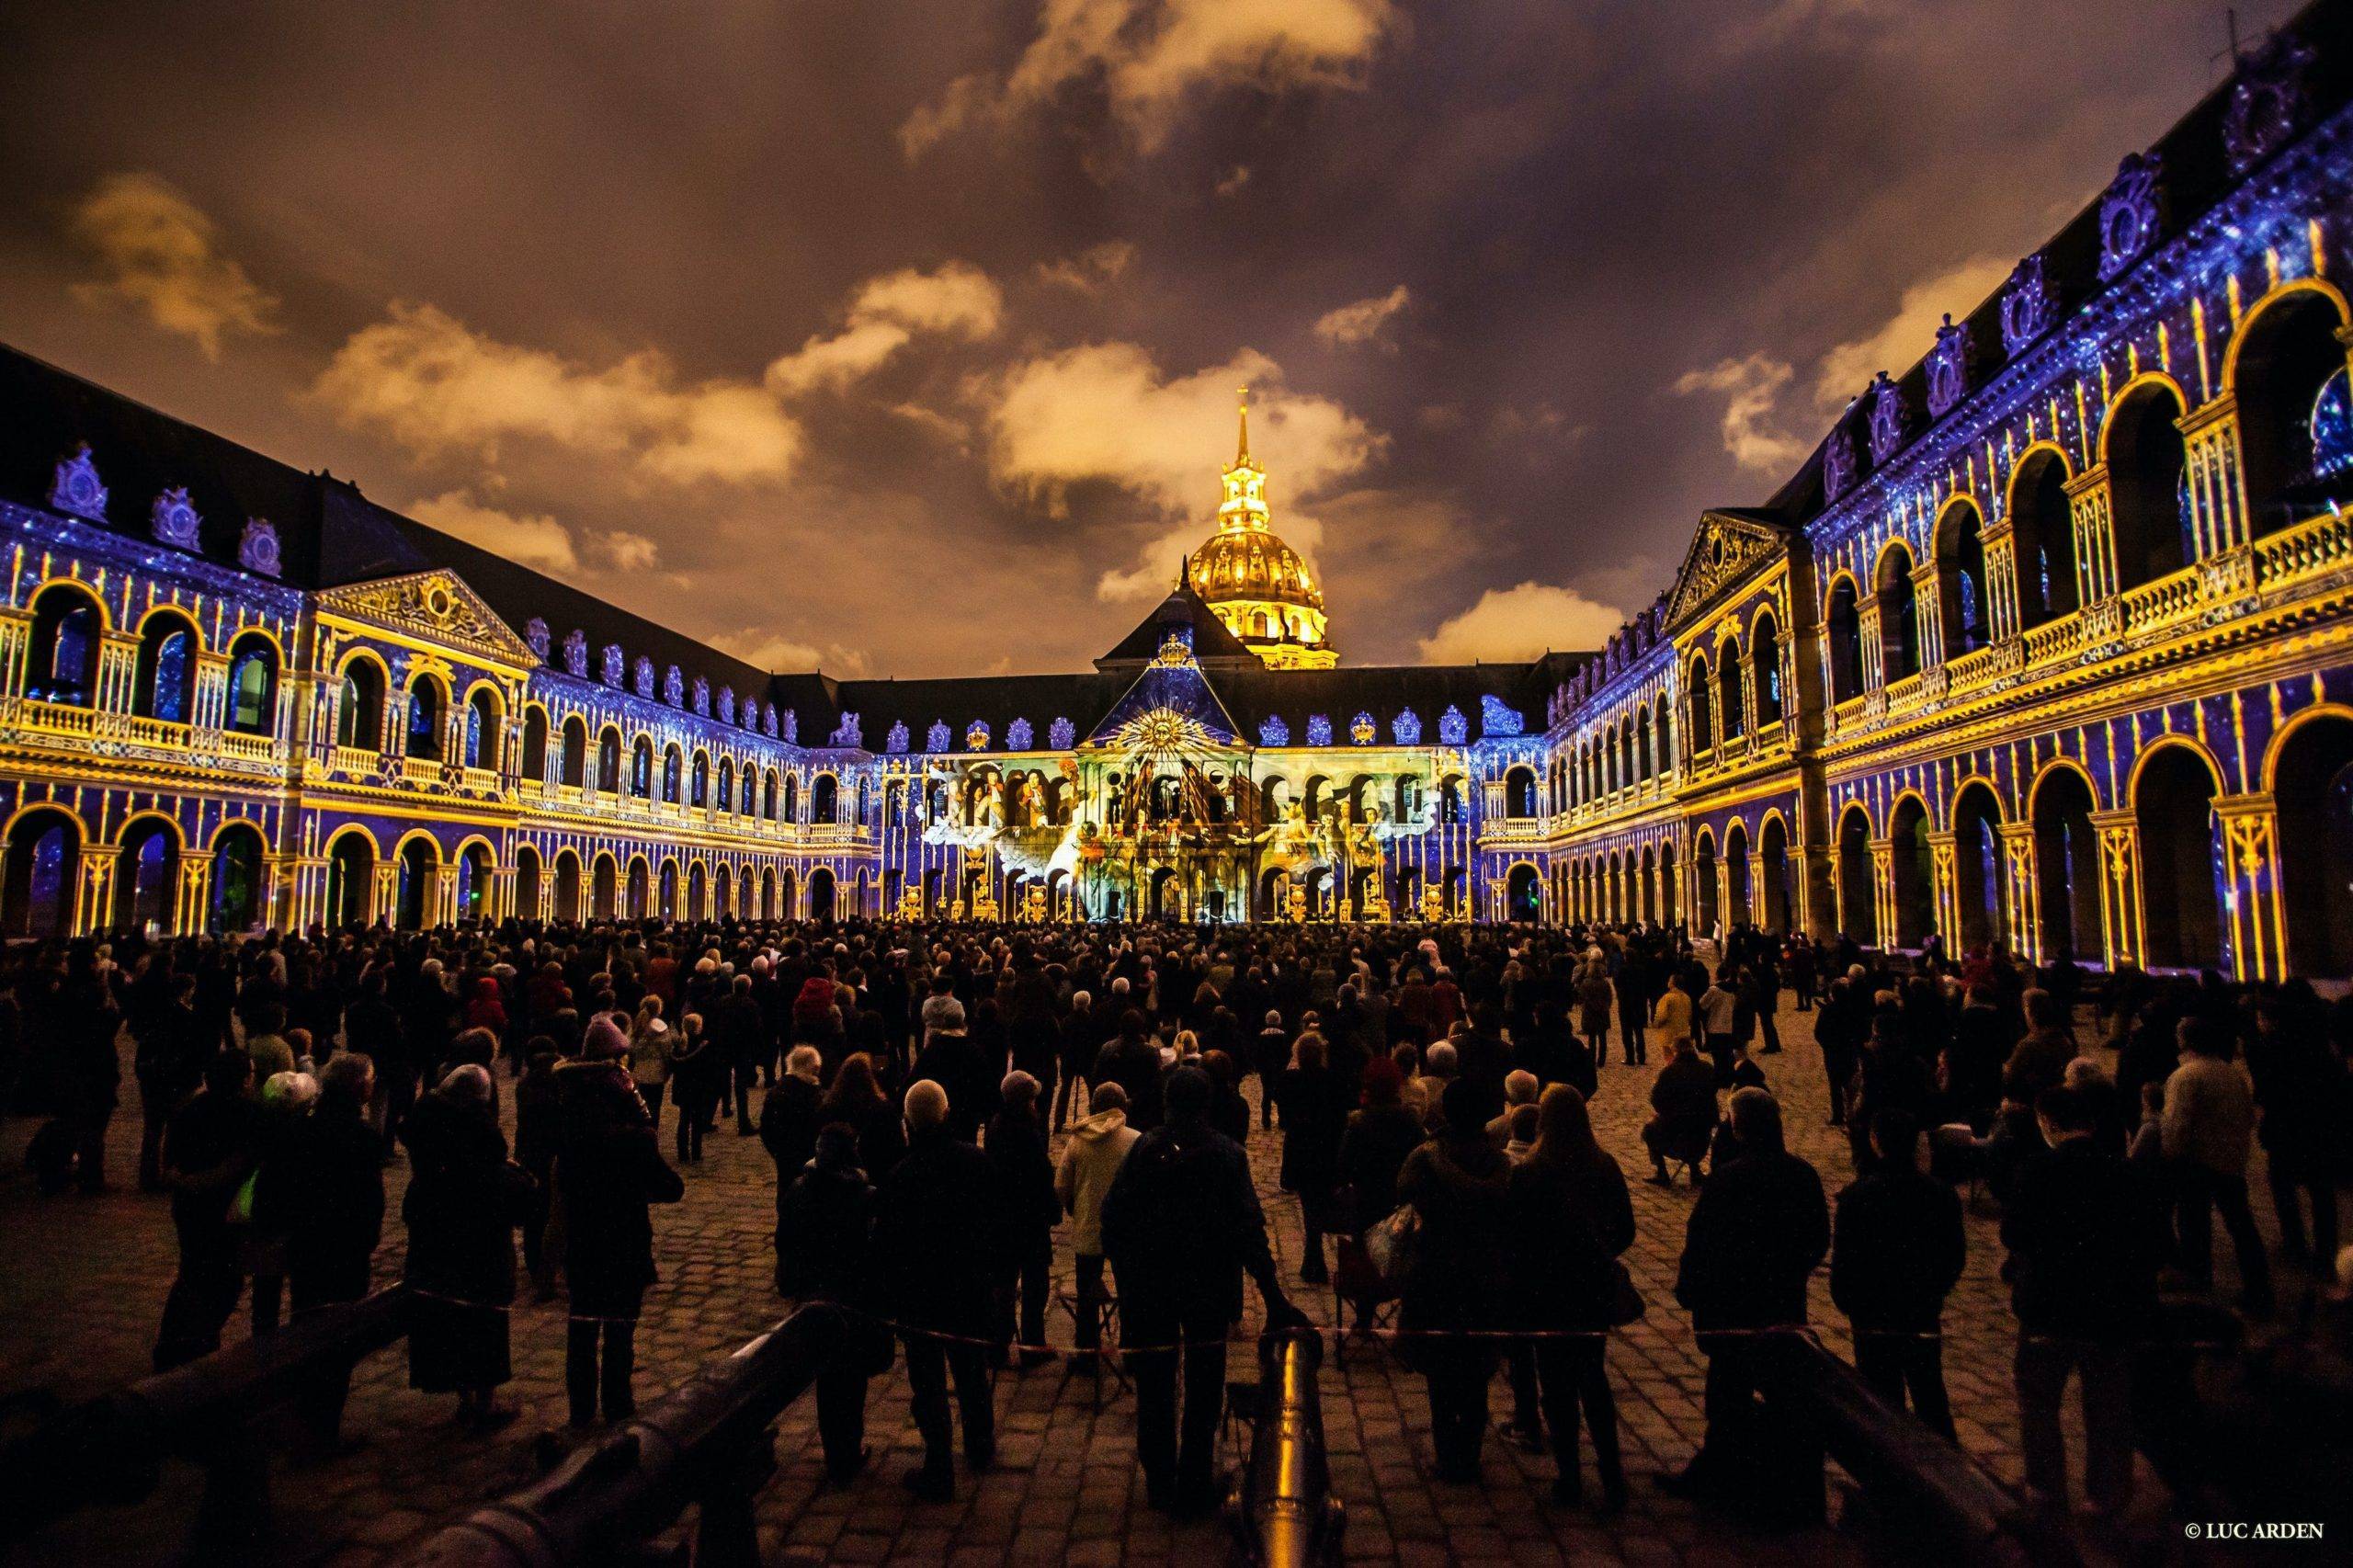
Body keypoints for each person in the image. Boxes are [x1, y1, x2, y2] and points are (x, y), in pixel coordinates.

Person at [1102, 1065, 1306, 1515]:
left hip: (1154, 1287)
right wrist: (1270, 1291)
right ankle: (1193, 1480)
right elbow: (1249, 1227)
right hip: (1207, 1285)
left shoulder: (1144, 1149)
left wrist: (1130, 1275)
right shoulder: (1226, 1154)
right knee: (1203, 1386)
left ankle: (1159, 1480)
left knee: (1155, 1388)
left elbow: (1112, 1218)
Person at [2001, 1085, 2168, 1516]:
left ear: (2049, 1124)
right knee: (2109, 1404)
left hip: (2049, 1308)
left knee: (2039, 1402)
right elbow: (2158, 1244)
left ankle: (2045, 1486)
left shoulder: (2036, 1171)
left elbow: (2014, 1234)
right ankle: (2107, 1493)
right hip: (2112, 1310)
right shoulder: (2129, 1174)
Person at [1664, 1089, 1829, 1522]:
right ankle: (1776, 1482)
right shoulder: (1802, 1175)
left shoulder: (1728, 1179)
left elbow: (1701, 1241)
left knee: (1727, 1395)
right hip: (1782, 1302)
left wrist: (1692, 1289)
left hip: (1733, 1307)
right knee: (1780, 1393)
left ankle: (1727, 1478)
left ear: (1738, 1129)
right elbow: (1817, 1240)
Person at [871, 1079, 1002, 1501]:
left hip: (921, 1298)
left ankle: (939, 1465)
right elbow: (996, 1226)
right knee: (971, 1375)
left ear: (909, 1122)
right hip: (969, 1290)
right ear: (946, 1115)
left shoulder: (900, 1176)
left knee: (928, 1387)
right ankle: (980, 1447)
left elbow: (887, 1245)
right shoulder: (977, 1162)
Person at [1506, 1085, 1633, 1511]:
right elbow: (1626, 1229)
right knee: (1594, 1380)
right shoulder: (1604, 1165)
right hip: (1590, 1287)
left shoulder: (1529, 1172)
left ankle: (1571, 1476)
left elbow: (1517, 1237)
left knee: (1557, 1386)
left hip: (1546, 1290)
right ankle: (1613, 1475)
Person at [1397, 1075, 1515, 1483]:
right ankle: (1470, 1451)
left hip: (1438, 1272)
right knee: (1477, 1369)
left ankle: (1449, 1454)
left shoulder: (1428, 1157)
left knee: (1442, 1371)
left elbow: (1403, 1190)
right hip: (1483, 1273)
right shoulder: (1500, 1164)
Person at [557, 1065, 686, 1426]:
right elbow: (671, 1187)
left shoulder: (572, 1139)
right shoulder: (634, 1141)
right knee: (619, 1327)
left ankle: (580, 1408)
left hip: (584, 1243)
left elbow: (564, 1187)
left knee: (581, 1328)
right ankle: (617, 1402)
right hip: (625, 1242)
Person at [401, 1064, 528, 1430]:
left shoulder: (427, 1123)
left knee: (450, 1312)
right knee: (482, 1316)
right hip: (477, 1236)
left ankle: (465, 1394)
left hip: (435, 1227)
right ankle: (483, 1400)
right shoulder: (476, 1134)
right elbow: (496, 1182)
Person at [1828, 1108, 1965, 1438]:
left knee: (1879, 1400)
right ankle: (1945, 1473)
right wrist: (1935, 1291)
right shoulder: (1940, 1194)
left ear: (1875, 1142)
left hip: (1872, 1315)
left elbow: (1846, 1259)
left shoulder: (1857, 1196)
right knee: (1930, 1396)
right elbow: (1953, 1255)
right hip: (1921, 1310)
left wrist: (1850, 1302)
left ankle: (1886, 1478)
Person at [777, 1122, 883, 1485]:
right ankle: (847, 1451)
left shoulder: (798, 1190)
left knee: (827, 1378)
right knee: (851, 1379)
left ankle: (835, 1450)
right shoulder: (864, 1196)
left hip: (813, 1295)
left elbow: (785, 1242)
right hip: (852, 1298)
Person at [153, 1049, 260, 1370]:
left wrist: (184, 1182)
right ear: (242, 1079)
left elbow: (169, 1163)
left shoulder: (188, 1110)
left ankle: (174, 1343)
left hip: (189, 1207)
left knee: (192, 1273)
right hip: (225, 1207)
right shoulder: (247, 1113)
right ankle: (198, 1341)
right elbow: (241, 1163)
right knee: (222, 1278)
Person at [2160, 1017, 2273, 1313]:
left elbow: (2176, 1125)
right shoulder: (2230, 1072)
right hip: (2231, 1159)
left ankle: (2199, 1279)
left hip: (2198, 1161)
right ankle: (2258, 1287)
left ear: (2185, 1041)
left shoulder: (2185, 1076)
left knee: (2194, 1224)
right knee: (2241, 1225)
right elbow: (2247, 1115)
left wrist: (2170, 1156)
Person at [1056, 1080, 1138, 1356]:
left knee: (1086, 1292)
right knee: (1129, 1291)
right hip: (1126, 1229)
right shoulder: (1135, 1140)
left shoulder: (1078, 1140)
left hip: (1089, 1225)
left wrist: (1070, 1205)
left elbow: (1061, 1186)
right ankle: (1130, 1348)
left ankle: (1086, 1349)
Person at [985, 1070, 1059, 1368]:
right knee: (1034, 1284)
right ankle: (1032, 1344)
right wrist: (1052, 1210)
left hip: (1001, 1219)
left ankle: (998, 1345)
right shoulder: (1028, 1132)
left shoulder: (996, 1125)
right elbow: (1041, 1176)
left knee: (1002, 1285)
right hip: (1028, 1219)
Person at [1275, 1033, 1350, 1286]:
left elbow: (1284, 1117)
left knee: (1310, 1204)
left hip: (1302, 1148)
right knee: (1321, 1201)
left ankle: (1314, 1257)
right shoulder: (1335, 1080)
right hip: (1328, 1148)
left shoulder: (1289, 1080)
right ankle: (1315, 1255)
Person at [1641, 1038, 1718, 1186]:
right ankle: (1695, 1170)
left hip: (1676, 1132)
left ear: (1675, 1052)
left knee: (1648, 1129)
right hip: (1703, 1131)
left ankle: (1661, 1172)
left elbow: (1656, 1100)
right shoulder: (1707, 1068)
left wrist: (1663, 1113)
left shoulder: (1670, 1071)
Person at [627, 995, 671, 1132]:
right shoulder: (661, 1028)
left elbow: (631, 1049)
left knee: (642, 1108)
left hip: (640, 1071)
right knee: (655, 1108)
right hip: (657, 1072)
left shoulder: (638, 1026)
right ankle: (652, 1137)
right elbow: (666, 1052)